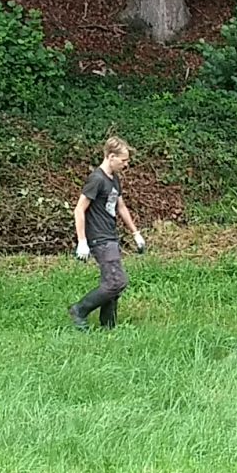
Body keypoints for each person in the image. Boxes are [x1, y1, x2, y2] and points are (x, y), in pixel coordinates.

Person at [70, 137, 147, 330]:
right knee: (116, 281)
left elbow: (120, 206)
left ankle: (108, 325)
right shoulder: (96, 179)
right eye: (123, 160)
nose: (126, 164)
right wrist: (82, 242)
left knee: (112, 281)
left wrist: (135, 233)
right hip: (99, 237)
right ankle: (79, 310)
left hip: (110, 235)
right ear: (111, 156)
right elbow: (79, 209)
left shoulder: (114, 179)